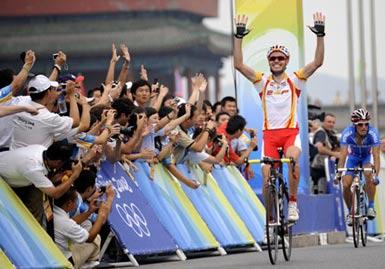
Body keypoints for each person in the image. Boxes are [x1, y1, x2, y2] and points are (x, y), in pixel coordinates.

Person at [233, 12, 325, 222]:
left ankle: (292, 203)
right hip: (270, 137)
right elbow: (238, 65)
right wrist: (238, 37)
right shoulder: (262, 81)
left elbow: (318, 62)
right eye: (273, 58)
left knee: (292, 159)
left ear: (286, 61)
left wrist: (320, 35)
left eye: (280, 58)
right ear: (268, 61)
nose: (276, 61)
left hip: (290, 134)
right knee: (266, 177)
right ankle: (270, 219)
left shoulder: (296, 80)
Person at [0, 141, 82, 225]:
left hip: (10, 170)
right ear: (58, 162)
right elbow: (55, 194)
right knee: (38, 202)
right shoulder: (33, 166)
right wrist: (74, 176)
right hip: (2, 180)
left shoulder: (41, 149)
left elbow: (43, 175)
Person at [335, 108, 381, 225]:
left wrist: (376, 175)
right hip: (353, 158)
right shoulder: (347, 133)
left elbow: (376, 156)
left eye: (366, 124)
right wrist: (339, 173)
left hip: (366, 157)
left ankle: (370, 206)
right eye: (360, 124)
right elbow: (343, 154)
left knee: (368, 173)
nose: (364, 127)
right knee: (345, 185)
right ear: (355, 125)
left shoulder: (373, 133)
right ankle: (351, 212)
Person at [54, 186, 115, 269]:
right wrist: (101, 215)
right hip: (65, 261)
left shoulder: (56, 210)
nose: (76, 204)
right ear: (69, 203)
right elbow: (90, 238)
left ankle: (87, 262)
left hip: (56, 253)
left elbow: (72, 221)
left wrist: (89, 212)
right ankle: (87, 264)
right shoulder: (65, 223)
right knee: (96, 239)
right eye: (75, 201)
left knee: (87, 223)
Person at [311, 113, 341, 194]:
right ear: (323, 122)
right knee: (323, 194)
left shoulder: (331, 134)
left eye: (333, 122)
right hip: (321, 171)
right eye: (329, 122)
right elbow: (319, 148)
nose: (331, 124)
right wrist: (335, 154)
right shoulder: (321, 133)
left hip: (329, 170)